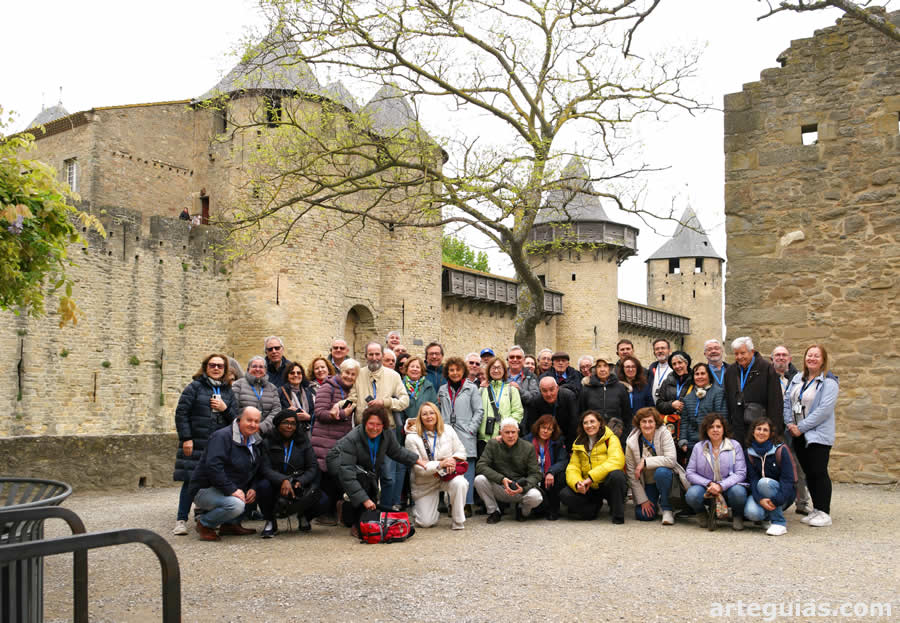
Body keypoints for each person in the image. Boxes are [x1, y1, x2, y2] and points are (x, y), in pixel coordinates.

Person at [326, 406, 427, 536]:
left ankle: (345, 507)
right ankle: (357, 525)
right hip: (339, 463)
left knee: (370, 495)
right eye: (371, 424)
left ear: (383, 425)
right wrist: (364, 499)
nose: (375, 428)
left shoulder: (386, 434)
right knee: (362, 487)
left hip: (362, 468)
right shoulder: (352, 439)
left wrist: (417, 460)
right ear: (364, 423)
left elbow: (397, 451)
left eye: (378, 424)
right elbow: (347, 474)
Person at [190, 407, 283, 541]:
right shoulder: (222, 437)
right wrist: (231, 490)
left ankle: (230, 525)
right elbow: (213, 467)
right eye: (249, 420)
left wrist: (253, 488)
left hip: (231, 488)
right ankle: (205, 524)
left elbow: (258, 469)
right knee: (236, 504)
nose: (253, 424)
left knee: (256, 490)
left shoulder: (256, 441)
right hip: (205, 489)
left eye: (256, 421)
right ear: (239, 420)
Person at [172, 353, 238, 536]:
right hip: (197, 442)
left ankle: (207, 519)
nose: (216, 368)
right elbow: (181, 414)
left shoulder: (228, 392)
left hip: (219, 445)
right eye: (212, 365)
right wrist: (186, 438)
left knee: (214, 480)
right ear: (205, 367)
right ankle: (181, 520)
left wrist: (225, 409)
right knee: (189, 481)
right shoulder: (194, 388)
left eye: (220, 366)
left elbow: (235, 420)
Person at [783, 344, 838, 528]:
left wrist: (802, 427)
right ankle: (816, 510)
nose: (812, 359)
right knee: (808, 473)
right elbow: (788, 401)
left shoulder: (829, 383)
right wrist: (790, 423)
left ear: (823, 360)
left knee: (819, 472)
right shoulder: (798, 378)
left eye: (816, 356)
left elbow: (823, 410)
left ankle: (824, 511)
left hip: (817, 435)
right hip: (798, 434)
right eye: (809, 355)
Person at [353, 342, 410, 509]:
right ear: (365, 356)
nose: (374, 358)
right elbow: (352, 397)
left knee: (388, 476)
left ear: (382, 355)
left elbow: (404, 401)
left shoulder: (393, 376)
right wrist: (341, 407)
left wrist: (385, 402)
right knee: (365, 475)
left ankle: (386, 510)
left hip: (386, 431)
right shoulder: (358, 375)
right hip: (363, 432)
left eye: (377, 354)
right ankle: (366, 513)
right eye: (370, 354)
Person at [257, 410, 330, 537]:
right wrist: (283, 480)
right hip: (276, 484)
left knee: (324, 501)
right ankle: (270, 521)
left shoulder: (303, 441)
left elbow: (312, 467)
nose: (290, 426)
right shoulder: (267, 442)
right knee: (263, 486)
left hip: (298, 483)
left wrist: (300, 481)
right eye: (286, 423)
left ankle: (304, 517)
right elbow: (265, 468)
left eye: (293, 423)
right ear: (278, 424)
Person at [310, 358, 360, 524]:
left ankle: (334, 513)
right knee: (326, 477)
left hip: (340, 440)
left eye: (353, 374)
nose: (349, 376)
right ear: (340, 372)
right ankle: (324, 514)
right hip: (325, 439)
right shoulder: (327, 387)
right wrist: (343, 414)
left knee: (335, 477)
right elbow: (320, 413)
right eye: (347, 372)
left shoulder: (351, 391)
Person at [404, 402, 469, 529]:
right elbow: (418, 469)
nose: (429, 416)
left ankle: (458, 520)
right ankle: (425, 509)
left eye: (432, 413)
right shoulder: (411, 438)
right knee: (426, 523)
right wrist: (440, 464)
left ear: (437, 415)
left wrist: (452, 460)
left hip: (447, 476)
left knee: (461, 483)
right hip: (425, 482)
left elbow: (461, 451)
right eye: (424, 414)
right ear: (420, 417)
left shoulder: (448, 429)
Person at [561, 410, 627, 523]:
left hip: (606, 484)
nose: (589, 425)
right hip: (589, 488)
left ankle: (617, 514)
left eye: (592, 421)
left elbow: (617, 461)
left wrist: (591, 478)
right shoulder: (578, 443)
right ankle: (591, 510)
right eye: (585, 423)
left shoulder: (611, 438)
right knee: (565, 494)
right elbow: (573, 467)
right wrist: (577, 483)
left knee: (617, 475)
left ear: (600, 423)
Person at [685, 413, 748, 530]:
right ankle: (702, 514)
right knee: (692, 495)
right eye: (711, 427)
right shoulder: (698, 447)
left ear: (724, 429)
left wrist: (720, 486)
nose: (715, 430)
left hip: (729, 486)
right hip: (706, 487)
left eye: (718, 427)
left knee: (739, 493)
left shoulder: (735, 445)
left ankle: (737, 515)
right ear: (706, 430)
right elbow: (690, 472)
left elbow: (741, 473)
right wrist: (709, 483)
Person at [624, 407, 687, 525]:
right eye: (644, 422)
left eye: (650, 421)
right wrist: (643, 500)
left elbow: (671, 460)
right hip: (648, 483)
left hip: (667, 477)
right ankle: (656, 504)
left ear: (656, 423)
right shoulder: (631, 442)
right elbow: (632, 474)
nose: (647, 425)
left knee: (661, 472)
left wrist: (645, 462)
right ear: (639, 424)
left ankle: (667, 508)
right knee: (643, 515)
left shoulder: (664, 433)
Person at [437, 356, 483, 513]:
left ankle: (467, 503)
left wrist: (471, 429)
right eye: (451, 370)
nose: (455, 373)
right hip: (447, 434)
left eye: (458, 370)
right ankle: (452, 503)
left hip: (466, 434)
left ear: (463, 371)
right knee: (450, 468)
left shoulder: (471, 388)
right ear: (447, 372)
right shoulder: (443, 389)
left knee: (467, 470)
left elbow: (479, 411)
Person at [474, 418, 543, 523]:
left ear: (518, 432)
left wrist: (524, 487)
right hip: (500, 486)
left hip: (520, 488)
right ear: (500, 433)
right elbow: (481, 465)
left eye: (513, 432)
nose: (510, 435)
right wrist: (501, 479)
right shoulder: (493, 444)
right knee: (479, 480)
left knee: (536, 497)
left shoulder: (528, 447)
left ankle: (522, 511)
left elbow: (536, 474)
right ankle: (494, 511)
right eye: (507, 432)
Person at [771, 344, 812, 515]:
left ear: (790, 358)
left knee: (799, 465)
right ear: (772, 359)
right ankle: (774, 500)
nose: (780, 358)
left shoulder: (800, 378)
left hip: (793, 428)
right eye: (777, 355)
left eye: (784, 355)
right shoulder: (767, 377)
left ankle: (802, 502)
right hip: (773, 428)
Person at [723, 336, 784, 445]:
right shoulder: (730, 371)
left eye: (742, 353)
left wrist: (774, 430)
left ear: (752, 352)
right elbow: (727, 400)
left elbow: (775, 402)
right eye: (736, 354)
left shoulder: (766, 368)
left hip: (760, 429)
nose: (739, 357)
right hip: (737, 429)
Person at [743, 416, 796, 536]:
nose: (761, 432)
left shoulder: (780, 450)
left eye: (765, 430)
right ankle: (767, 518)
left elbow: (788, 480)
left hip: (783, 494)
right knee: (751, 513)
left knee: (764, 482)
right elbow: (753, 479)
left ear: (771, 433)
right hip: (762, 493)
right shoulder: (749, 453)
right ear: (753, 431)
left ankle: (779, 522)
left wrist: (777, 500)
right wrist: (760, 499)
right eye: (758, 429)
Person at [523, 415, 568, 521]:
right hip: (533, 476)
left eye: (549, 429)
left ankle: (554, 509)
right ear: (538, 427)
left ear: (553, 431)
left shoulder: (557, 441)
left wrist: (551, 472)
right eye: (543, 427)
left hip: (548, 478)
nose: (545, 431)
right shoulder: (527, 440)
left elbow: (563, 461)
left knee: (561, 475)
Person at [680, 363, 728, 463]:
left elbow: (722, 417)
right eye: (697, 374)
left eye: (703, 373)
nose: (700, 376)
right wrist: (683, 441)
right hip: (692, 443)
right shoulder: (688, 398)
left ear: (709, 375)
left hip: (713, 441)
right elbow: (685, 421)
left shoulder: (718, 393)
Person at [579, 355, 630, 442]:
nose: (602, 369)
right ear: (595, 369)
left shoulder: (620, 388)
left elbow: (627, 414)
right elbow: (581, 412)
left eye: (605, 366)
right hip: (593, 434)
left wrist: (625, 434)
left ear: (610, 368)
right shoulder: (587, 389)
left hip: (616, 434)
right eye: (599, 366)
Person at [479, 356, 524, 447]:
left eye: (499, 368)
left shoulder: (511, 390)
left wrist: (506, 432)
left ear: (504, 370)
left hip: (505, 440)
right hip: (483, 440)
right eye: (493, 368)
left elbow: (517, 413)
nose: (496, 371)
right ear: (488, 370)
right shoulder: (482, 390)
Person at [655, 351, 693, 453]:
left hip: (689, 426)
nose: (677, 366)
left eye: (680, 363)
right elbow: (659, 404)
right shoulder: (667, 382)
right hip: (670, 427)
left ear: (687, 363)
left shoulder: (695, 379)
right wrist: (671, 405)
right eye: (674, 364)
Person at [233, 356, 281, 434]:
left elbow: (276, 410)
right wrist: (249, 426)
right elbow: (234, 409)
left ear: (265, 370)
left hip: (266, 434)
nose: (257, 369)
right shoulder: (238, 385)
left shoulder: (272, 388)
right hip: (243, 433)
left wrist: (261, 427)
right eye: (254, 366)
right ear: (248, 369)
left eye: (261, 367)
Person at [525, 377, 578, 447]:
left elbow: (574, 423)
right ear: (540, 391)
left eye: (551, 390)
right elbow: (532, 425)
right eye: (544, 391)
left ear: (557, 388)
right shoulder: (535, 402)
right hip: (544, 440)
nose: (549, 394)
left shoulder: (568, 396)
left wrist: (569, 446)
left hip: (566, 436)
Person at [278, 362, 315, 434]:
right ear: (287, 376)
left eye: (299, 373)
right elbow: (276, 413)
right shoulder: (280, 392)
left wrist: (308, 417)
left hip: (305, 432)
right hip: (287, 432)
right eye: (292, 373)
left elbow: (313, 412)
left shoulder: (308, 392)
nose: (296, 375)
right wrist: (287, 413)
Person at [617, 355, 654, 423]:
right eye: (627, 367)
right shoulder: (618, 386)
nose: (630, 369)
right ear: (623, 369)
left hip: (641, 423)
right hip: (622, 425)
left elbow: (650, 407)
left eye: (633, 366)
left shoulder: (644, 386)